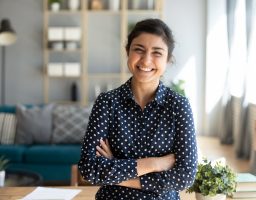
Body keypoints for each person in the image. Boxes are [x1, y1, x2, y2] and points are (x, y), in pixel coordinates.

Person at [78, 18, 198, 200]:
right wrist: (155, 163)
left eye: (157, 53)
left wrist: (115, 168)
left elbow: (185, 176)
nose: (146, 60)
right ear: (128, 52)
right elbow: (89, 169)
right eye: (139, 50)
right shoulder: (106, 103)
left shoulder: (179, 106)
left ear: (168, 60)